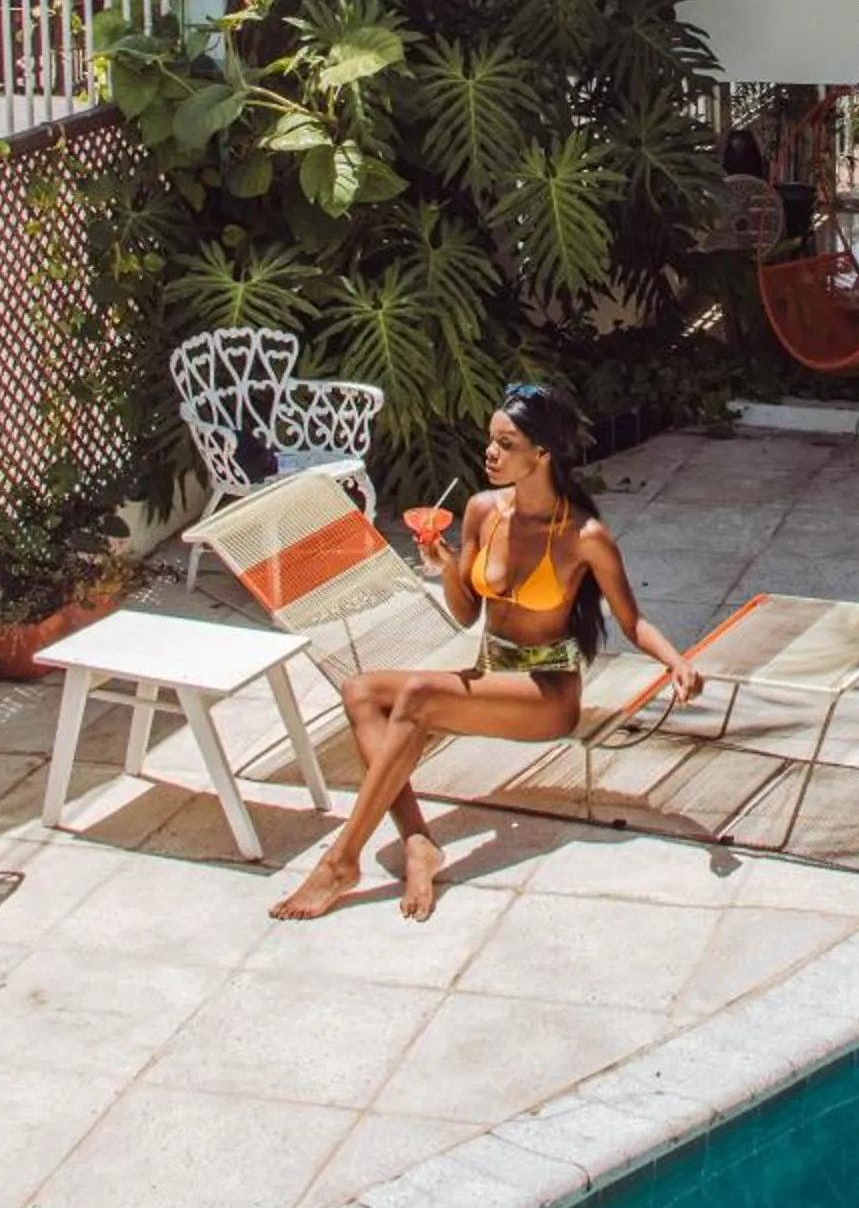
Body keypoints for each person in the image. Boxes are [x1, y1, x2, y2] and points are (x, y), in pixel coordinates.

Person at [271, 382, 703, 923]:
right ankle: (417, 842)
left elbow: (632, 621)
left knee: (418, 695)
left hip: (547, 693)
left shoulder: (583, 534)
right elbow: (465, 613)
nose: (490, 453)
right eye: (491, 440)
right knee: (360, 690)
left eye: (506, 443)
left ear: (542, 453)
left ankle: (341, 861)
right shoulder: (481, 511)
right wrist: (447, 566)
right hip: (491, 671)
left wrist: (676, 662)